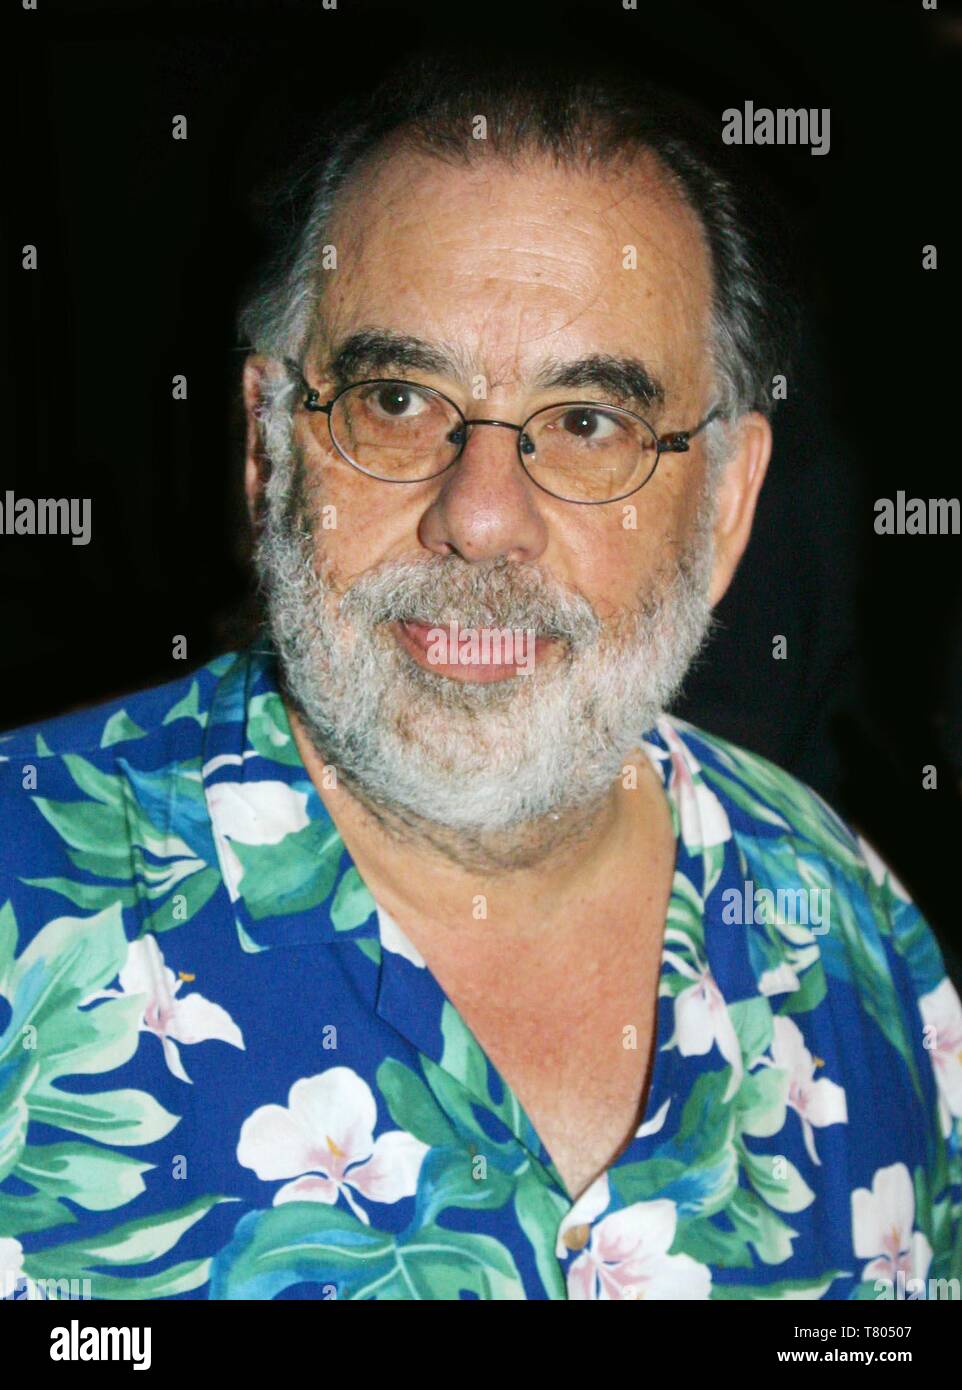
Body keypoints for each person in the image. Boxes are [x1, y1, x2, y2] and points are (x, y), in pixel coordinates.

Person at [1, 57, 959, 1302]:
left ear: (723, 506)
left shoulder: (849, 933)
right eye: (398, 399)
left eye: (586, 422)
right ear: (263, 448)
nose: (482, 517)